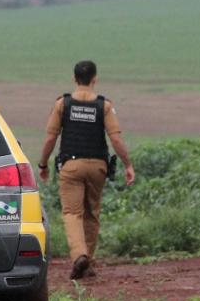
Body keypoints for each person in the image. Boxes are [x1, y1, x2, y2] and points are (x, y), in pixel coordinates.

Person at [38, 60, 135, 280]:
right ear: (95, 79)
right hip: (98, 166)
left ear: (74, 79)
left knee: (73, 213)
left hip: (71, 166)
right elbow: (116, 139)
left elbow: (51, 137)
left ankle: (79, 256)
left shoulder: (63, 104)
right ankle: (88, 262)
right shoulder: (105, 106)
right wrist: (128, 164)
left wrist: (43, 164)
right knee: (92, 214)